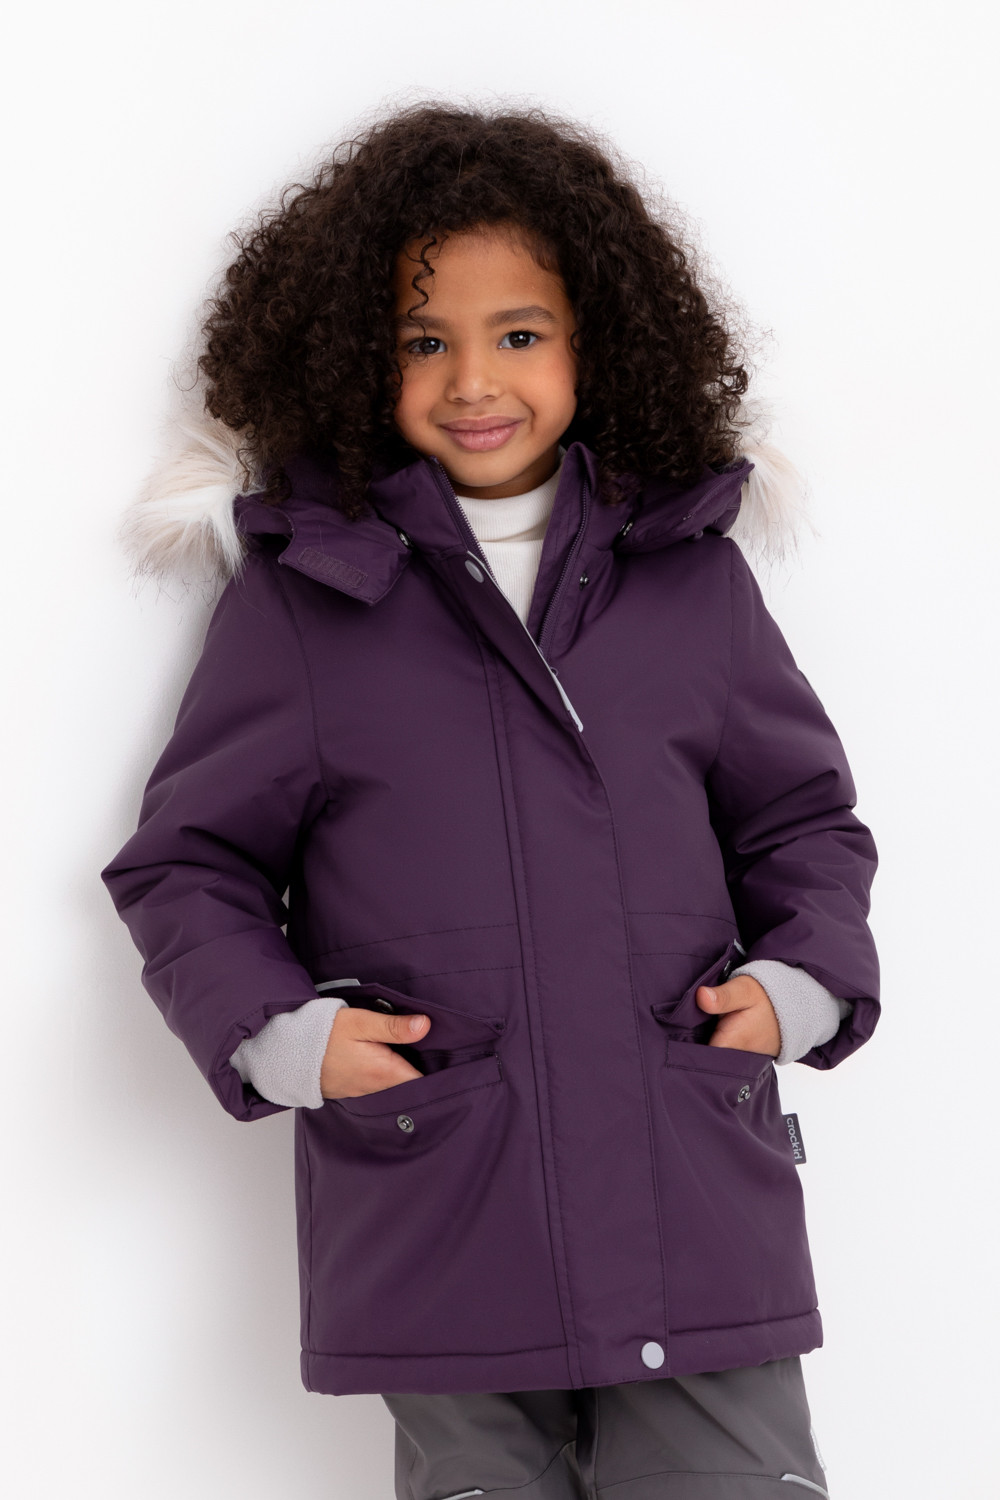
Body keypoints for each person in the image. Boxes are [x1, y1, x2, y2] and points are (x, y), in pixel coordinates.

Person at [101, 102, 879, 1499]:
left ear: (596, 342)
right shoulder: (309, 599)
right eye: (423, 341)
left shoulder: (690, 577)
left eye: (520, 333)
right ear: (357, 356)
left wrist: (800, 985)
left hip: (693, 1205)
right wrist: (285, 1036)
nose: (474, 379)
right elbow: (189, 864)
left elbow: (802, 822)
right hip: (444, 1204)